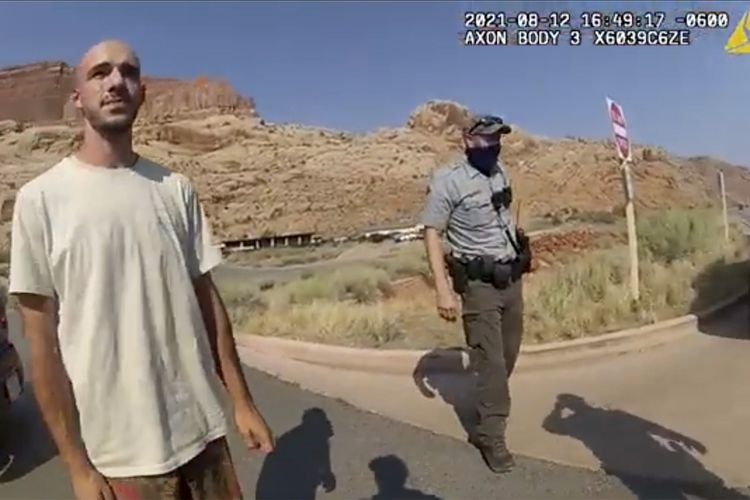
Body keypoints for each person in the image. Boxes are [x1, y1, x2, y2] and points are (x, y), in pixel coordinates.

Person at [8, 39, 274, 499]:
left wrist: (242, 402)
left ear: (142, 91)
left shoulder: (175, 189)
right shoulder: (41, 200)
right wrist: (76, 467)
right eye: (100, 73)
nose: (116, 82)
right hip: (119, 460)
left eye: (128, 72)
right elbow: (42, 350)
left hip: (203, 439)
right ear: (77, 98)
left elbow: (208, 303)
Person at [421, 114, 531, 474]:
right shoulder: (447, 180)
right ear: (467, 140)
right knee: (492, 363)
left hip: (511, 279)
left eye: (497, 139)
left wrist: (520, 246)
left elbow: (506, 214)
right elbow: (433, 233)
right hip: (479, 286)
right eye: (485, 140)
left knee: (508, 355)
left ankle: (488, 400)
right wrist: (443, 291)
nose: (493, 146)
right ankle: (491, 435)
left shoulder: (500, 172)